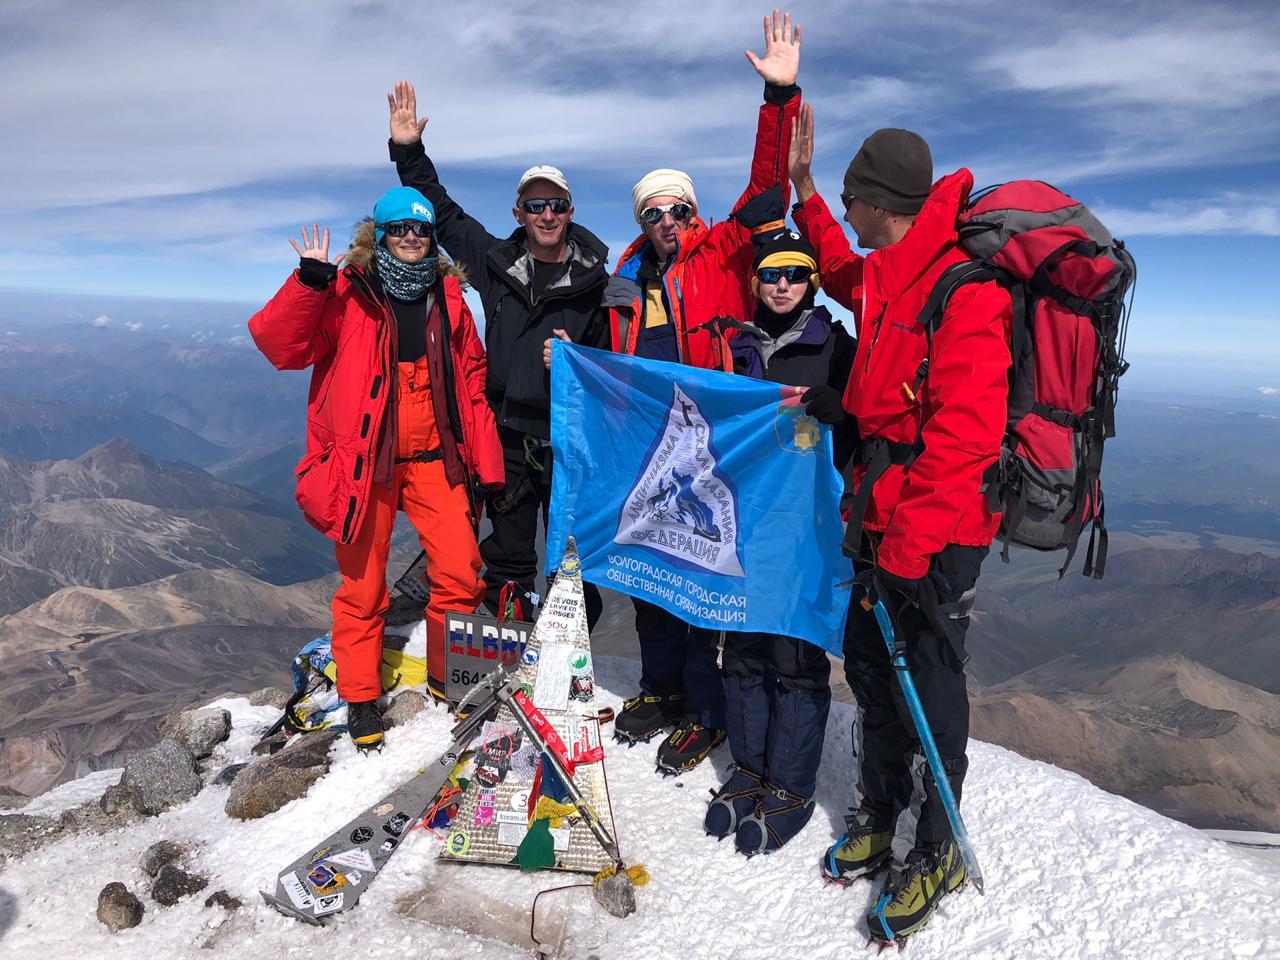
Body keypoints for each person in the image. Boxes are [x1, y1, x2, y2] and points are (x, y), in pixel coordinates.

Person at [788, 105, 1011, 942]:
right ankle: (879, 814)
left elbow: (963, 439)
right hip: (879, 515)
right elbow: (843, 269)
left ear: (885, 202)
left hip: (937, 533)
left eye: (851, 198)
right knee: (874, 672)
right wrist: (806, 192)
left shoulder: (966, 292)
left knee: (932, 686)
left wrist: (912, 550)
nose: (845, 212)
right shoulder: (890, 271)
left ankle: (940, 845)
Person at [608, 10, 804, 777]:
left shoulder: (721, 251)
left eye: (677, 208)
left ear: (694, 211)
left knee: (699, 582)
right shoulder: (625, 283)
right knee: (649, 578)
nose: (666, 220)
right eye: (652, 212)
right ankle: (663, 689)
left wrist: (778, 102)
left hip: (713, 451)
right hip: (649, 452)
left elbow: (766, 190)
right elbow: (612, 365)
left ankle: (708, 709)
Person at [248, 188, 503, 750]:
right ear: (378, 234)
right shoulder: (346, 291)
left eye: (420, 229)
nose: (411, 237)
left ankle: (449, 678)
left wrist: (487, 464)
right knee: (363, 588)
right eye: (398, 228)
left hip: (436, 457)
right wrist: (308, 282)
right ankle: (362, 697)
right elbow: (280, 347)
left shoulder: (451, 295)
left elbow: (472, 382)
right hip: (367, 465)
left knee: (461, 574)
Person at [386, 82, 609, 630]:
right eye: (535, 206)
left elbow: (617, 360)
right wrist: (408, 152)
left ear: (570, 211)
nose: (547, 214)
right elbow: (442, 214)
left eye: (555, 204)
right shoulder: (496, 263)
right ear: (519, 212)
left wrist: (583, 363)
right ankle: (505, 645)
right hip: (507, 434)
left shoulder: (599, 281)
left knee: (574, 559)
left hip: (569, 439)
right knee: (508, 555)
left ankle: (566, 654)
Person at [702, 187, 855, 855]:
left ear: (813, 280)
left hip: (806, 530)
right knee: (742, 651)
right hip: (742, 523)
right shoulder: (733, 347)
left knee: (794, 656)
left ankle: (790, 785)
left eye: (796, 272)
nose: (783, 283)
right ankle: (751, 769)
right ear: (755, 281)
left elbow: (871, 414)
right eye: (771, 273)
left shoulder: (837, 345)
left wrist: (841, 406)